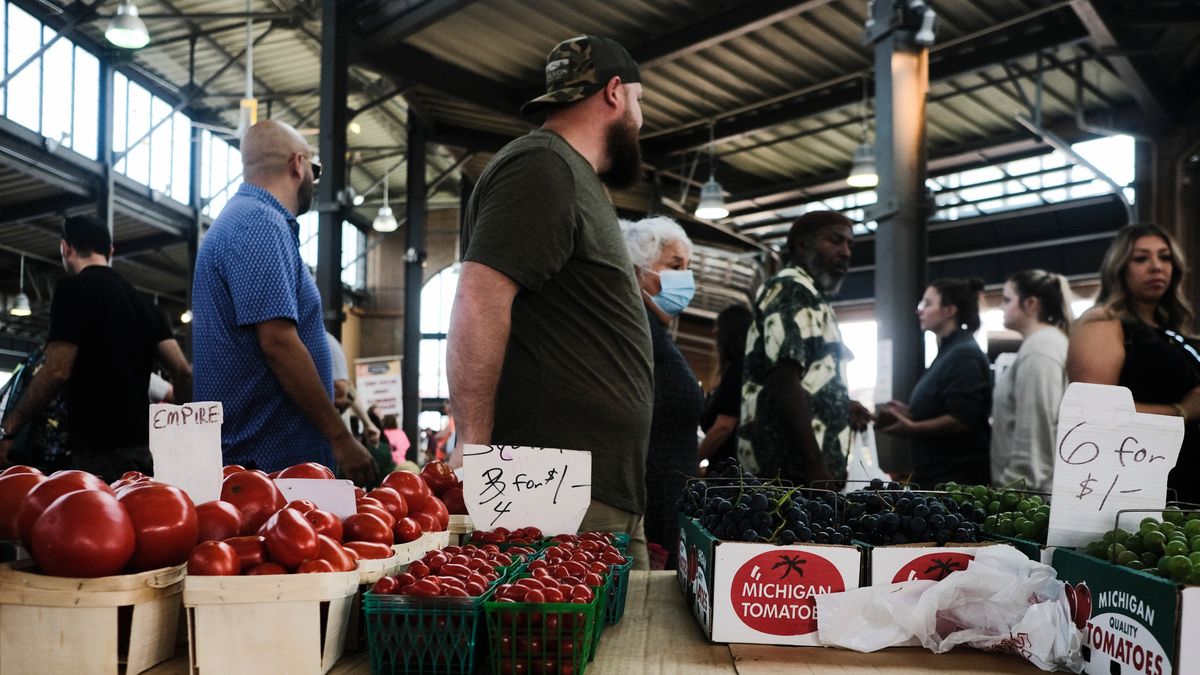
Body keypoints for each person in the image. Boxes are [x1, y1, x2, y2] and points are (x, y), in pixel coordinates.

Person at [447, 35, 653, 569]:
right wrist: (472, 446)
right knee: (559, 648)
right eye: (639, 100)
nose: (642, 118)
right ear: (614, 92)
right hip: (552, 487)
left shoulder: (573, 177)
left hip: (591, 489)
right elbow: (479, 297)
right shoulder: (543, 166)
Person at [191, 120, 375, 485]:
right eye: (314, 170)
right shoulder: (260, 223)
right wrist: (340, 437)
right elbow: (277, 342)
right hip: (267, 465)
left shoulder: (248, 220)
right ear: (298, 164)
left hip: (266, 462)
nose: (313, 179)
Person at [0, 216, 193, 481]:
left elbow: (57, 370)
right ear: (111, 251)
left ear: (65, 248)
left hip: (94, 455)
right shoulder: (145, 305)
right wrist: (179, 429)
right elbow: (183, 371)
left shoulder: (72, 290)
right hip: (143, 453)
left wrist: (10, 427)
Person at [1067, 223, 1200, 504]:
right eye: (1141, 258)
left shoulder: (1168, 328)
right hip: (1140, 488)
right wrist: (1182, 411)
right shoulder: (1102, 322)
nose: (1156, 267)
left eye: (1164, 257)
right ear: (1119, 267)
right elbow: (1091, 414)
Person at [739, 211, 870, 487]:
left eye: (850, 245)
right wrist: (814, 464)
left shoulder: (811, 295)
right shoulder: (790, 289)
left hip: (805, 473)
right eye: (835, 241)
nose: (846, 252)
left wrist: (839, 405)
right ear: (801, 245)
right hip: (792, 475)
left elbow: (804, 378)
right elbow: (783, 379)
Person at [621, 216, 703, 569]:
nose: (685, 277)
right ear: (639, 272)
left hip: (666, 496)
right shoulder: (636, 328)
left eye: (687, 267)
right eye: (674, 265)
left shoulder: (654, 329)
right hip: (650, 499)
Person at [878, 277, 991, 487]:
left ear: (949, 310)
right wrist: (911, 411)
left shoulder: (964, 354)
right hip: (938, 475)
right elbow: (944, 405)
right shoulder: (948, 352)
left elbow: (961, 418)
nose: (919, 310)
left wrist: (912, 427)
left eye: (927, 303)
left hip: (955, 481)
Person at [990, 270, 1072, 492]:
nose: (1001, 307)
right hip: (1031, 493)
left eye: (1007, 300)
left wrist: (1012, 489)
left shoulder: (1041, 348)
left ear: (1031, 304)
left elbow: (1035, 432)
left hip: (1030, 498)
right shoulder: (1042, 344)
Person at [700, 304, 753, 468]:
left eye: (719, 327)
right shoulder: (744, 371)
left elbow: (723, 427)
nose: (714, 332)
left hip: (728, 472)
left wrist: (693, 460)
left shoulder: (738, 371)